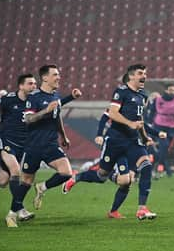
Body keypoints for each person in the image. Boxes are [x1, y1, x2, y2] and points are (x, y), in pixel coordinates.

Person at [0, 75, 68, 227]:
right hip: (6, 140)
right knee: (16, 172)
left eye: (35, 83)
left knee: (2, 180)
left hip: (24, 145)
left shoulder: (36, 101)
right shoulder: (9, 98)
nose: (34, 86)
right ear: (21, 86)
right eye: (30, 84)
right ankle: (19, 210)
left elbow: (56, 109)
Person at [62, 64, 158, 220]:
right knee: (102, 176)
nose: (144, 76)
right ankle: (76, 177)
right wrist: (128, 124)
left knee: (145, 167)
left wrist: (145, 137)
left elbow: (139, 121)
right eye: (140, 73)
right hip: (115, 140)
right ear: (131, 76)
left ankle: (141, 209)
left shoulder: (143, 96)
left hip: (133, 141)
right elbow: (112, 113)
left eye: (145, 73)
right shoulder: (121, 92)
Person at [10, 65, 82, 216]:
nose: (58, 77)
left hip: (50, 145)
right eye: (55, 74)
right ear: (44, 78)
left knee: (66, 173)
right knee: (26, 182)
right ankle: (16, 211)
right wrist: (45, 111)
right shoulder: (34, 96)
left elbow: (57, 114)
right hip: (33, 146)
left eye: (59, 74)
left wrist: (63, 135)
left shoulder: (55, 95)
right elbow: (28, 119)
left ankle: (42, 187)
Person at [153, 83, 174, 177]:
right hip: (160, 125)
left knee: (165, 149)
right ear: (166, 90)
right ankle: (160, 166)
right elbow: (152, 111)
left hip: (172, 126)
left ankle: (155, 162)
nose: (172, 92)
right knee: (164, 144)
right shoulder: (158, 99)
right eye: (170, 90)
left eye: (173, 90)